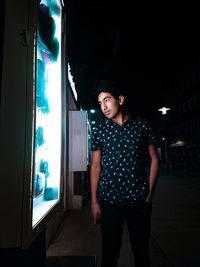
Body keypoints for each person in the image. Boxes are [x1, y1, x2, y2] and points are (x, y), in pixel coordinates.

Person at [90, 80, 160, 267]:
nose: (103, 107)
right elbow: (95, 166)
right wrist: (94, 201)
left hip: (138, 202)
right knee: (109, 256)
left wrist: (150, 194)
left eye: (107, 100)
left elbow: (154, 158)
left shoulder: (142, 126)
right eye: (100, 103)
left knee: (142, 254)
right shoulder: (100, 130)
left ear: (120, 100)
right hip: (109, 202)